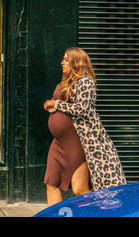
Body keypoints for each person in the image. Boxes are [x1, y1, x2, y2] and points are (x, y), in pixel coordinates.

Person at [43, 47, 126, 206]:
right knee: (51, 182)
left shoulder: (85, 82)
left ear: (77, 62)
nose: (62, 62)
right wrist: (52, 107)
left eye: (66, 59)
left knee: (79, 189)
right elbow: (65, 105)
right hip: (58, 143)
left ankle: (97, 212)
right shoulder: (66, 81)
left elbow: (82, 108)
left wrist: (57, 104)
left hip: (76, 142)